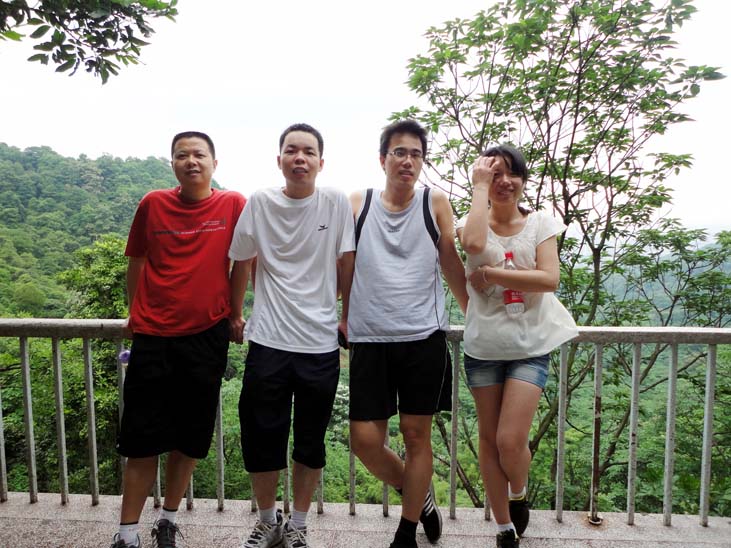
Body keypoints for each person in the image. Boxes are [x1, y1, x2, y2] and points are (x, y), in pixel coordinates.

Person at [111, 131, 247, 548]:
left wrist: (236, 313)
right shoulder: (153, 203)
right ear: (172, 164)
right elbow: (137, 260)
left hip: (207, 336)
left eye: (199, 154)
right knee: (141, 439)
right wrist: (134, 312)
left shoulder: (233, 204)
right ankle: (127, 533)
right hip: (153, 335)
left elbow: (241, 263)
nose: (191, 161)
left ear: (214, 163)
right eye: (182, 155)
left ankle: (168, 520)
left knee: (189, 439)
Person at [228, 123, 355, 548]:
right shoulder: (261, 202)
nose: (300, 158)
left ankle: (298, 523)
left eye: (308, 151)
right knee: (261, 435)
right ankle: (269, 521)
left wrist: (346, 316)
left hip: (319, 344)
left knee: (310, 441)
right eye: (291, 150)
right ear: (279, 159)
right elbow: (242, 261)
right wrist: (235, 314)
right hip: (268, 340)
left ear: (321, 161)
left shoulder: (334, 202)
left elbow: (347, 262)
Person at [347, 120, 468, 548]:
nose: (408, 161)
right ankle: (416, 492)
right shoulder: (359, 203)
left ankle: (407, 531)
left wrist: (474, 314)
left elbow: (450, 262)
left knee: (417, 437)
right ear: (383, 159)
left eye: (416, 154)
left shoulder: (435, 202)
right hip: (369, 339)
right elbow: (341, 264)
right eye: (400, 152)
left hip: (423, 338)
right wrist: (337, 315)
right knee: (364, 441)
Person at [456, 145, 578, 548]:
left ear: (524, 180)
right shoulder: (470, 222)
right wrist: (479, 188)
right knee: (489, 440)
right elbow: (474, 244)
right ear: (483, 180)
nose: (505, 182)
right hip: (484, 348)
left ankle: (518, 491)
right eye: (495, 174)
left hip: (530, 346)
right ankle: (504, 527)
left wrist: (492, 274)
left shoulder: (540, 222)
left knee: (510, 440)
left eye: (513, 174)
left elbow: (549, 279)